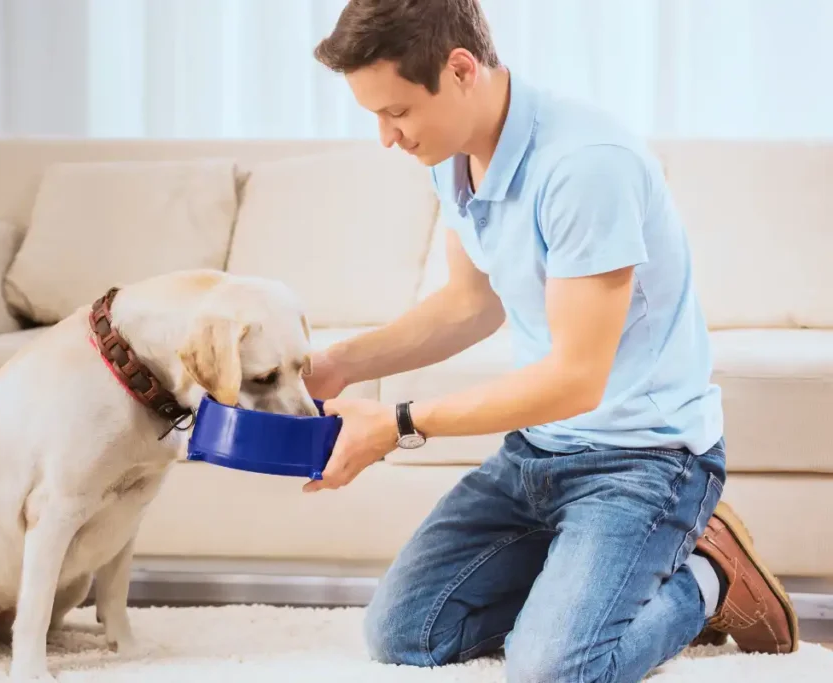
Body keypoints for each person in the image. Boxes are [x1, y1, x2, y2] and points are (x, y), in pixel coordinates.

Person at [303, 1, 799, 681]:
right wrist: (337, 364)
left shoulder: (585, 166)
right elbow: (469, 303)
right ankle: (582, 580)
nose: (386, 136)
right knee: (403, 632)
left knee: (552, 673)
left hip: (645, 459)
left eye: (397, 112)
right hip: (538, 451)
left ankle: (707, 575)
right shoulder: (452, 157)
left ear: (460, 70)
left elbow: (575, 379)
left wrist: (397, 424)